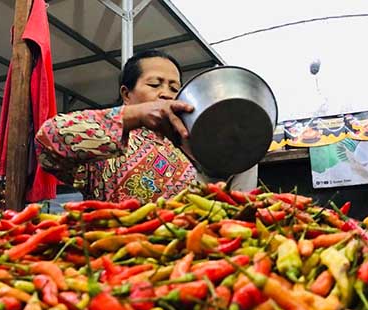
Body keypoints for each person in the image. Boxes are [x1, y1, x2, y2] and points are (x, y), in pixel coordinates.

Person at [35, 49, 258, 203]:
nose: (165, 93)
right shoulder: (110, 140)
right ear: (126, 94)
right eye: (154, 84)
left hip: (184, 259)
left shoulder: (187, 140)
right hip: (120, 258)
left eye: (174, 87)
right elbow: (48, 140)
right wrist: (136, 115)